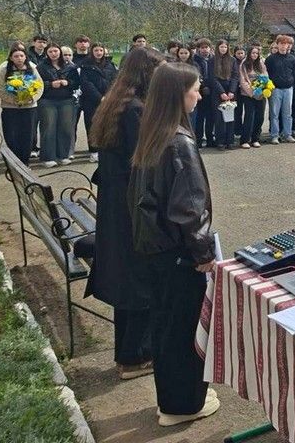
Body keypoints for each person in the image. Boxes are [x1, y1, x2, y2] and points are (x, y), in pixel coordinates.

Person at [129, 62, 219, 427]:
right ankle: (183, 405)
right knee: (183, 331)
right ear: (177, 95)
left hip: (156, 251)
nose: (199, 94)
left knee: (166, 327)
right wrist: (204, 255)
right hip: (179, 256)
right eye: (195, 88)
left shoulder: (154, 132)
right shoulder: (178, 142)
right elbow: (188, 208)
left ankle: (172, 399)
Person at [87, 47, 164, 379]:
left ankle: (127, 353)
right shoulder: (134, 111)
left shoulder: (116, 104)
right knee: (141, 281)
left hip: (116, 206)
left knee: (129, 280)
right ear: (146, 74)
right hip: (131, 209)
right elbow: (144, 166)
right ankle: (135, 356)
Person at [0, 44, 44, 163]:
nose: (19, 58)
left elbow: (39, 85)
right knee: (12, 136)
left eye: (22, 55)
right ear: (11, 58)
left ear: (25, 56)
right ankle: (14, 161)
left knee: (27, 136)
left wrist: (31, 98)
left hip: (29, 108)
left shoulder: (32, 67)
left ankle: (25, 162)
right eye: (16, 56)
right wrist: (14, 100)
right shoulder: (4, 69)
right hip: (10, 108)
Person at [36, 42, 80, 167]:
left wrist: (68, 82)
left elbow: (77, 82)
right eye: (50, 52)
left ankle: (63, 155)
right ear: (47, 53)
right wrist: (50, 84)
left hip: (66, 100)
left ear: (60, 52)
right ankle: (48, 157)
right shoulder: (41, 67)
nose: (53, 54)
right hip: (47, 100)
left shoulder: (70, 67)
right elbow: (37, 84)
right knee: (49, 128)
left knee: (65, 128)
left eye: (55, 51)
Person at [79, 43, 118, 164]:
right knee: (91, 125)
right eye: (96, 50)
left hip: (109, 100)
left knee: (108, 125)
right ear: (92, 51)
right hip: (92, 101)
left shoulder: (110, 65)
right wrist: (99, 97)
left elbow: (115, 81)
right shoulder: (86, 65)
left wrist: (110, 96)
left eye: (101, 50)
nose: (99, 52)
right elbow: (86, 84)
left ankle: (105, 149)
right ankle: (93, 151)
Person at [264, 34, 295, 144]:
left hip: (288, 89)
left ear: (288, 45)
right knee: (274, 114)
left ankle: (287, 134)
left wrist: (291, 81)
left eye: (285, 44)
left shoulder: (292, 58)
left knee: (288, 114)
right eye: (281, 44)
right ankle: (274, 135)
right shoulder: (270, 59)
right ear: (277, 45)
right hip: (275, 90)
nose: (283, 46)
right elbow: (266, 74)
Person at [237, 43, 268, 149]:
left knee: (260, 117)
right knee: (249, 117)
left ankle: (255, 139)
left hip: (261, 94)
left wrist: (261, 89)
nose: (255, 55)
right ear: (249, 53)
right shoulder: (243, 65)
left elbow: (265, 77)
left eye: (256, 53)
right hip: (248, 95)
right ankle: (245, 140)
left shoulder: (261, 64)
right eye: (253, 53)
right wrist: (252, 93)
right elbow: (243, 81)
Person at [209, 40, 238, 150]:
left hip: (230, 92)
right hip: (217, 92)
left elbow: (235, 76)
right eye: (221, 47)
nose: (223, 49)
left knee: (230, 118)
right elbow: (212, 78)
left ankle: (229, 141)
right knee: (219, 118)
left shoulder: (232, 60)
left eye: (225, 47)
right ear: (217, 48)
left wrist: (231, 91)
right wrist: (221, 92)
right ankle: (220, 141)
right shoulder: (212, 60)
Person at [191, 39, 215, 147]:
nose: (204, 50)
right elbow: (197, 75)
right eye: (202, 48)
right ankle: (199, 140)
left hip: (213, 91)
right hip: (200, 92)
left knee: (210, 117)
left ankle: (210, 138)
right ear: (198, 49)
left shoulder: (213, 60)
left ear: (210, 48)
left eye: (206, 47)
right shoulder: (194, 60)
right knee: (199, 118)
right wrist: (203, 86)